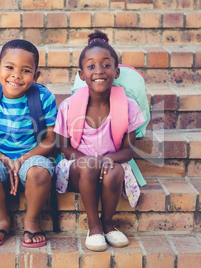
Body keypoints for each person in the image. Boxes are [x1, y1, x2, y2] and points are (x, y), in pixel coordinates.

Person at [54, 30, 145, 251]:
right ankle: (94, 226)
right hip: (78, 168)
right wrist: (89, 161)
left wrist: (108, 159)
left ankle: (108, 224)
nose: (99, 71)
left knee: (115, 170)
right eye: (91, 66)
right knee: (89, 166)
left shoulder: (127, 106)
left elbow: (129, 150)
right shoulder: (69, 106)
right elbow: (63, 147)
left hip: (111, 165)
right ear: (81, 74)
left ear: (116, 71)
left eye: (106, 65)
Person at [0, 39, 57, 247]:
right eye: (9, 67)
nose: (16, 75)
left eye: (25, 70)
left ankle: (32, 219)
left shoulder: (43, 97)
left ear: (35, 75)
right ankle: (2, 220)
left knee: (39, 171)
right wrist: (3, 159)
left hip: (31, 156)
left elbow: (51, 139)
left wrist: (22, 159)